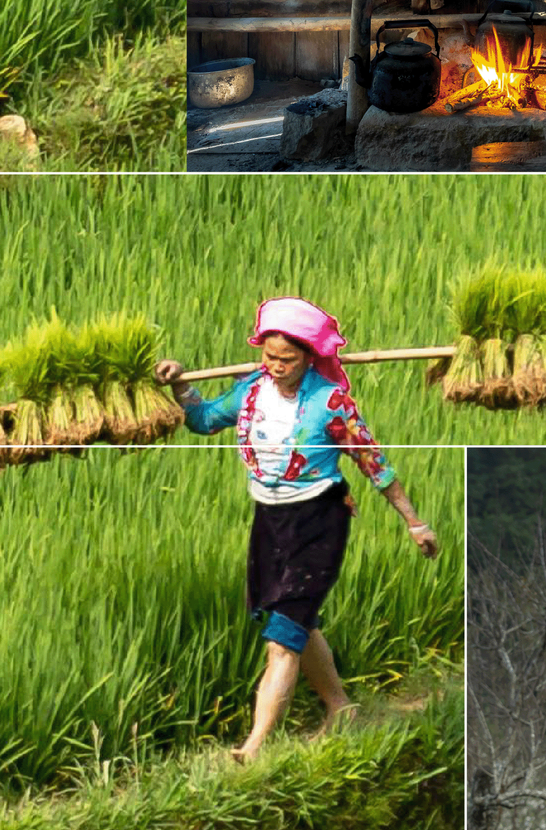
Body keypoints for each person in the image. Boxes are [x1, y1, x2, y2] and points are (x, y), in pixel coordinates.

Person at [157, 297, 437, 766]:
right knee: (298, 622)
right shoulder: (250, 392)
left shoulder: (330, 403)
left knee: (281, 638)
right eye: (269, 358)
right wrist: (181, 383)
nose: (277, 367)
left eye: (287, 360)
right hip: (269, 521)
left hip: (318, 521)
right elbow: (204, 420)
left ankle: (253, 747)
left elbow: (374, 463)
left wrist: (415, 522)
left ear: (310, 357)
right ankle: (341, 708)